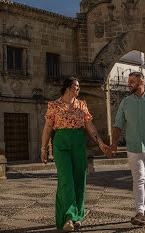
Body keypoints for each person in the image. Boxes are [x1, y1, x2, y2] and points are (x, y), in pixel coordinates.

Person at [41, 77, 110, 232]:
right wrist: (43, 148)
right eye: (76, 86)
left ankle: (78, 216)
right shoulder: (54, 106)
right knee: (66, 180)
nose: (78, 89)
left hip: (78, 142)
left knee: (79, 179)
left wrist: (100, 143)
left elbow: (90, 126)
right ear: (67, 88)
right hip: (61, 143)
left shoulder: (81, 105)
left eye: (79, 86)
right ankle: (69, 217)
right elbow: (47, 128)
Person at [109, 72, 145, 226]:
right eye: (129, 82)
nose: (129, 84)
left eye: (132, 82)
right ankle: (140, 212)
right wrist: (114, 143)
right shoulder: (125, 103)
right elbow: (118, 124)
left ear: (141, 81)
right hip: (133, 147)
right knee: (139, 178)